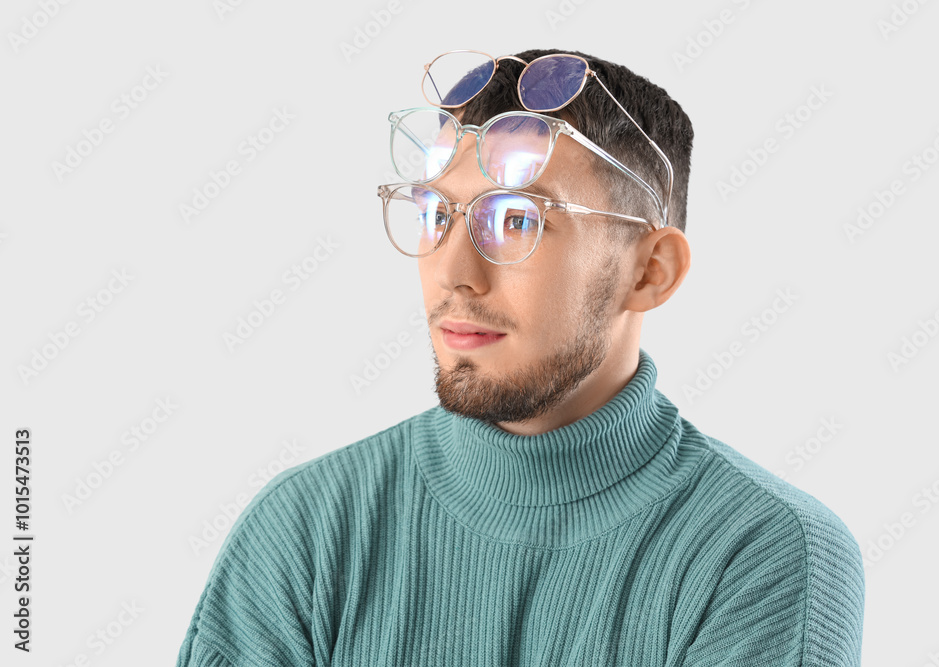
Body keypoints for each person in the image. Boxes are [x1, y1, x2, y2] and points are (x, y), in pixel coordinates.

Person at [176, 48, 865, 666]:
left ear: (650, 271)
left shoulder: (760, 551)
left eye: (516, 220)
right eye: (435, 216)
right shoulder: (306, 530)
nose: (454, 275)